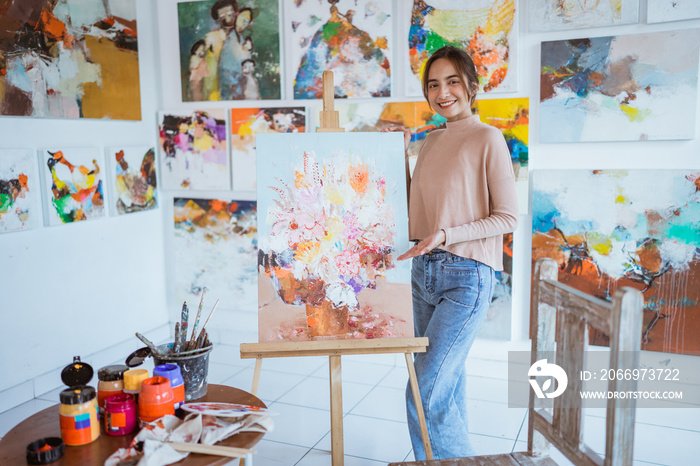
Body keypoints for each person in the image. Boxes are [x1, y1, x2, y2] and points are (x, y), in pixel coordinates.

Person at [388, 46, 519, 459]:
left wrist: (447, 234)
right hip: (422, 275)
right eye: (433, 85)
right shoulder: (427, 143)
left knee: (424, 394)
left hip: (467, 277)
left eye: (452, 81)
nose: (442, 92)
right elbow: (412, 213)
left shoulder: (488, 138)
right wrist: (395, 156)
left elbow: (508, 217)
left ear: (472, 87)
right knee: (446, 385)